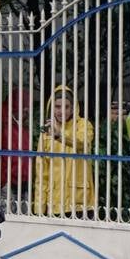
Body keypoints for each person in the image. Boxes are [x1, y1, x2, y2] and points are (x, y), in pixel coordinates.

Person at [33, 84, 96, 217]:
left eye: (66, 107)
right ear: (52, 107)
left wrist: (59, 135)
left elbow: (83, 143)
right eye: (57, 107)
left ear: (73, 108)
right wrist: (39, 208)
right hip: (54, 203)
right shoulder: (46, 131)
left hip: (79, 202)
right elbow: (41, 172)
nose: (62, 111)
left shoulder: (83, 125)